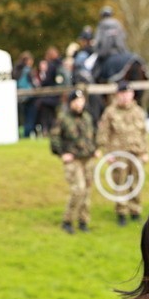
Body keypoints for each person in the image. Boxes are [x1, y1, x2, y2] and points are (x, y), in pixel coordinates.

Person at [97, 79, 149, 226]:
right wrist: (107, 154)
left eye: (127, 93)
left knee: (136, 182)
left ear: (132, 94)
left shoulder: (138, 111)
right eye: (121, 93)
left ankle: (135, 210)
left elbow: (144, 134)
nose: (125, 96)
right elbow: (103, 134)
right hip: (118, 154)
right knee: (120, 183)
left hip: (136, 153)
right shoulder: (110, 112)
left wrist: (146, 152)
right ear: (116, 95)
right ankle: (121, 212)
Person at [50, 89, 99, 234]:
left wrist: (95, 149)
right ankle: (68, 220)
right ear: (70, 102)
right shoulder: (63, 118)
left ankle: (83, 221)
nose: (79, 104)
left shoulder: (87, 117)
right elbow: (54, 138)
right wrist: (62, 153)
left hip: (88, 159)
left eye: (81, 100)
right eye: (76, 101)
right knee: (78, 190)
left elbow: (92, 136)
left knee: (87, 192)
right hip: (74, 160)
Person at [93, 6, 128, 72]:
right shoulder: (118, 23)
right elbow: (124, 36)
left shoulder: (101, 24)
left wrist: (95, 49)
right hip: (120, 52)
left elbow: (98, 40)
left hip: (105, 54)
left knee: (95, 70)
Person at [14, 52, 38, 138]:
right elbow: (34, 83)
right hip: (29, 97)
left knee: (21, 117)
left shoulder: (16, 69)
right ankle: (27, 134)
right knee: (29, 117)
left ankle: (21, 134)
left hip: (20, 97)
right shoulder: (28, 70)